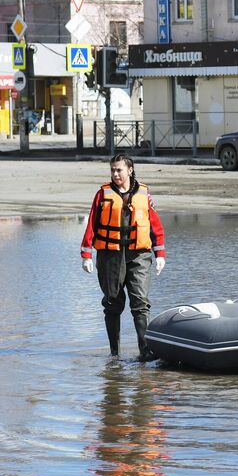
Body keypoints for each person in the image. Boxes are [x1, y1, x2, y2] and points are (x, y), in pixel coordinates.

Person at [81, 154, 166, 362]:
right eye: (112, 170)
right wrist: (86, 254)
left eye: (119, 170)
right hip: (110, 256)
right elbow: (92, 224)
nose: (115, 174)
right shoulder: (103, 194)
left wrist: (160, 253)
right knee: (112, 303)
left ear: (130, 170)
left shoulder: (144, 194)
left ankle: (145, 351)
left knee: (140, 303)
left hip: (139, 256)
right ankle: (114, 354)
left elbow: (155, 226)